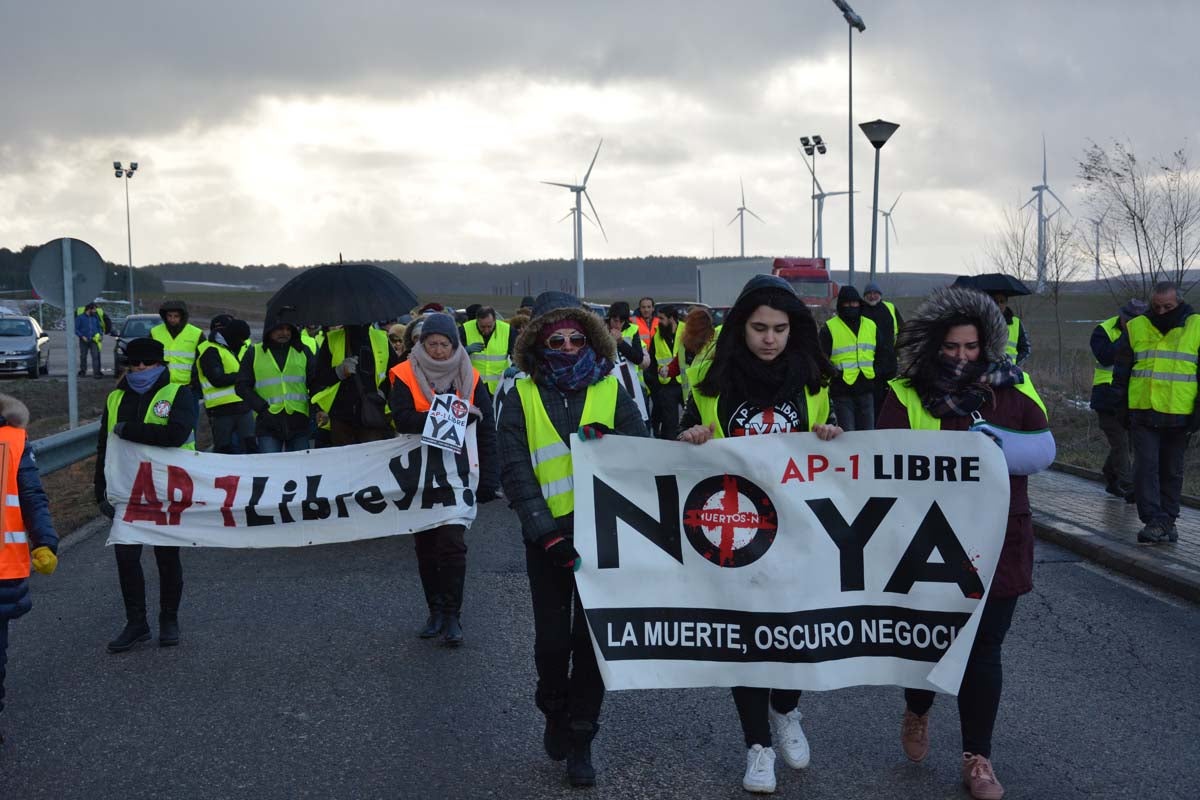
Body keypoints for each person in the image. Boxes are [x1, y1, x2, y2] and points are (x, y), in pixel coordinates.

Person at [878, 285, 1052, 800]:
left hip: (1001, 538)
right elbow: (884, 464)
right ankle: (918, 708)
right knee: (929, 643)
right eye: (950, 347)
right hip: (929, 542)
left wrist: (991, 444)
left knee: (985, 651)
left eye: (970, 347)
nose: (960, 357)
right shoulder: (904, 392)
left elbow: (1042, 450)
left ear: (987, 345)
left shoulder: (1014, 387)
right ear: (934, 344)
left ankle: (978, 758)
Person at [677, 274, 840, 794]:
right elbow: (679, 444)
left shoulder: (813, 378)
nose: (769, 338)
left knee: (792, 632)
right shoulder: (711, 378)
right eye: (759, 328)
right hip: (737, 529)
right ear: (740, 329)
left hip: (796, 527)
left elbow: (829, 444)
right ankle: (757, 747)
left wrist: (831, 436)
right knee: (746, 643)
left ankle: (787, 710)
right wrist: (693, 436)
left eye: (779, 329)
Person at [498, 291, 649, 788]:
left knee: (590, 646)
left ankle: (582, 737)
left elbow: (644, 458)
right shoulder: (519, 397)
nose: (566, 345)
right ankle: (553, 706)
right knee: (551, 643)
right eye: (555, 338)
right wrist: (546, 535)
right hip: (549, 542)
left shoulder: (611, 391)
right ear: (539, 343)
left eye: (575, 337)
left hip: (602, 538)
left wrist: (618, 447)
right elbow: (517, 473)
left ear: (591, 340)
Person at [388, 313, 499, 646]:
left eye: (444, 344)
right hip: (418, 473)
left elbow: (487, 427)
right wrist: (448, 416)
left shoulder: (472, 376)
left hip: (459, 472)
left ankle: (453, 615)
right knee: (426, 546)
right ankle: (434, 610)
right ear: (420, 344)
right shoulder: (403, 373)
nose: (437, 350)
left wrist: (490, 478)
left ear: (455, 345)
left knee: (452, 545)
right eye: (431, 343)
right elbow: (403, 418)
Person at [95, 337, 197, 653]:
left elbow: (175, 435)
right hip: (127, 491)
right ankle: (136, 623)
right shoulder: (115, 398)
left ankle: (169, 619)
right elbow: (104, 447)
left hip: (166, 489)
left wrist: (130, 430)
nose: (139, 369)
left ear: (159, 363)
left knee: (166, 557)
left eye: (146, 363)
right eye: (134, 364)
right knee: (126, 557)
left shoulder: (179, 393)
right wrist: (99, 490)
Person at [1113, 282, 1199, 543]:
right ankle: (1154, 520)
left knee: (1171, 470)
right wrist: (1120, 408)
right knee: (1145, 469)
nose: (1161, 312)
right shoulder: (1137, 326)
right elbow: (1122, 371)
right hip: (1143, 410)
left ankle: (1167, 520)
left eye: (1168, 307)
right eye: (1157, 307)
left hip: (1179, 412)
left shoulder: (1196, 326)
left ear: (1179, 303)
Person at [0, 393, 59, 746]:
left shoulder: (13, 442)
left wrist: (44, 541)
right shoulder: (13, 441)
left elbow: (30, 496)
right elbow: (32, 497)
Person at [1090, 299, 1147, 502]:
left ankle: (1111, 475)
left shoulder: (1147, 332)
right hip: (1106, 395)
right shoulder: (1103, 331)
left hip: (1130, 395)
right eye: (1129, 321)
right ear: (1121, 317)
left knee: (1125, 443)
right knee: (1121, 442)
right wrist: (1128, 335)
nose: (1133, 324)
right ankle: (1129, 487)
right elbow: (1105, 356)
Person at [311, 322, 400, 446]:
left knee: (370, 459)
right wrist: (339, 372)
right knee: (345, 460)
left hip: (373, 412)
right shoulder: (332, 339)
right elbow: (319, 378)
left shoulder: (381, 338)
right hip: (341, 415)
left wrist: (383, 393)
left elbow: (394, 373)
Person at [237, 319, 314, 453]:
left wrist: (315, 409)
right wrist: (261, 407)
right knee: (271, 469)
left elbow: (315, 382)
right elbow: (241, 386)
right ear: (269, 330)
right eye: (279, 329)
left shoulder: (303, 351)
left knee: (300, 469)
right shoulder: (253, 353)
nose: (285, 333)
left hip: (299, 421)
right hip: (268, 423)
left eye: (288, 329)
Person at [821, 286, 877, 431]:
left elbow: (882, 354)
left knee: (867, 436)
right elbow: (821, 358)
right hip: (842, 391)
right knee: (846, 437)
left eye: (854, 303)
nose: (851, 307)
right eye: (847, 304)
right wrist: (835, 375)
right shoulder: (830, 327)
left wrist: (878, 375)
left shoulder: (871, 326)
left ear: (859, 303)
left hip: (866, 390)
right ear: (841, 305)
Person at [197, 316, 255, 454]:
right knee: (225, 451)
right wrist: (243, 376)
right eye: (240, 339)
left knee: (250, 448)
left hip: (244, 407)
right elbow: (217, 379)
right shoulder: (210, 350)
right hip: (221, 410)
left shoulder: (236, 347)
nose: (242, 342)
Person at [150, 299, 205, 426]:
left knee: (189, 424)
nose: (172, 319)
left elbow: (202, 361)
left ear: (183, 316)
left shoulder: (196, 334)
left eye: (176, 316)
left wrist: (194, 382)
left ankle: (189, 446)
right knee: (161, 422)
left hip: (188, 388)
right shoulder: (155, 332)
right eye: (169, 316)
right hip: (162, 387)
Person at [862, 282, 904, 418]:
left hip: (889, 362)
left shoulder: (890, 308)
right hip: (869, 363)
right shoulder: (860, 310)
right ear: (864, 296)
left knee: (888, 399)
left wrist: (898, 351)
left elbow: (902, 330)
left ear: (880, 295)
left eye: (875, 293)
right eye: (869, 293)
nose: (872, 296)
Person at [645, 305, 683, 439]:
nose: (658, 322)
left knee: (692, 419)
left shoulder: (687, 331)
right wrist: (656, 387)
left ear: (671, 318)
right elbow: (652, 364)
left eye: (661, 318)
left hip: (686, 383)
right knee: (669, 423)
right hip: (666, 386)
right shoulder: (657, 337)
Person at [461, 306, 512, 395]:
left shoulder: (508, 330)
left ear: (495, 320)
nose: (486, 330)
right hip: (473, 385)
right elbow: (452, 354)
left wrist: (515, 366)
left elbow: (519, 352)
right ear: (477, 320)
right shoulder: (464, 330)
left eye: (489, 326)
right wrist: (464, 350)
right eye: (482, 327)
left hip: (499, 386)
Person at [989, 292, 1030, 365]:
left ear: (1006, 303)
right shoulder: (982, 321)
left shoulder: (1016, 323)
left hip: (1009, 371)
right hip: (987, 370)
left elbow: (1025, 349)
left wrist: (1014, 364)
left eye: (1002, 301)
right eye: (995, 301)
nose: (998, 304)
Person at [74, 302, 106, 377]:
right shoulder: (80, 318)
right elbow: (76, 329)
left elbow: (99, 327)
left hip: (94, 340)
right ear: (89, 309)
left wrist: (100, 334)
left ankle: (96, 373)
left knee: (95, 356)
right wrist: (82, 336)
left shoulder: (95, 317)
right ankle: (83, 371)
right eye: (94, 309)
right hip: (83, 340)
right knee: (83, 356)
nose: (95, 311)